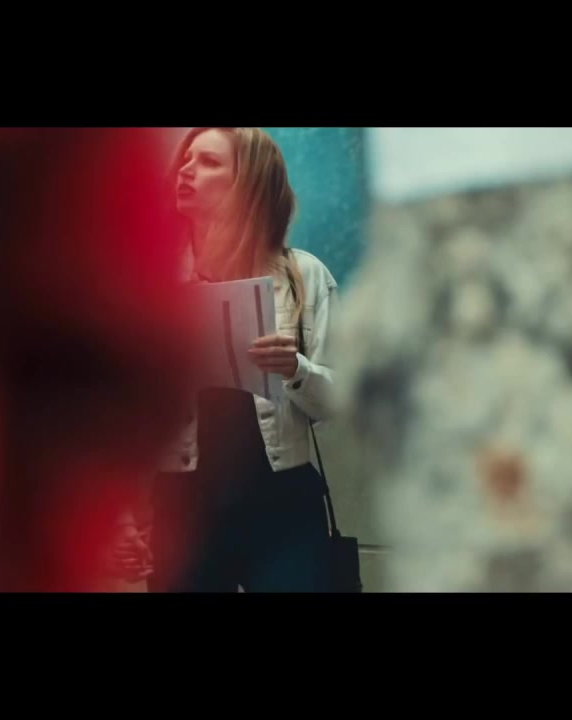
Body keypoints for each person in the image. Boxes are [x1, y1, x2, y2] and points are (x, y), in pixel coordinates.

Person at [118, 127, 341, 592]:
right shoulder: (151, 282)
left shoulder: (303, 275)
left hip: (283, 506)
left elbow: (338, 404)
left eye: (209, 162)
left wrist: (296, 369)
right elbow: (118, 416)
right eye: (187, 158)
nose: (185, 170)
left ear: (249, 182)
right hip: (183, 510)